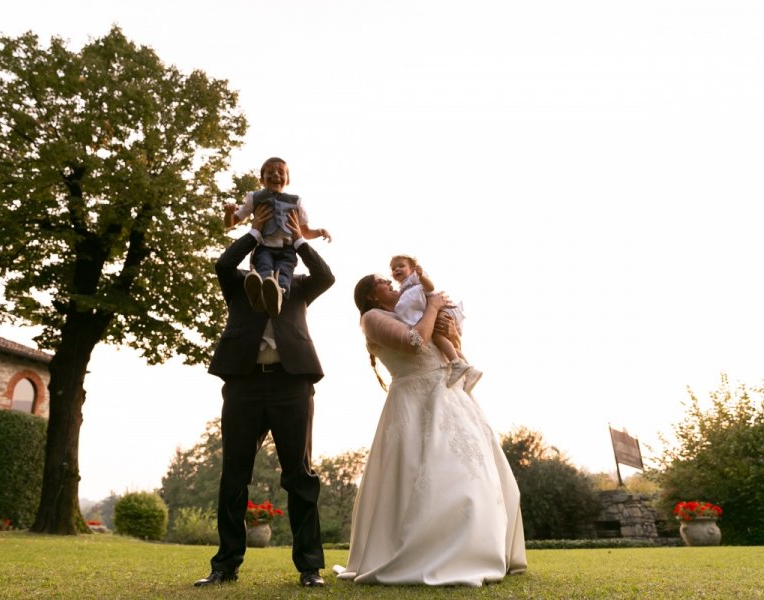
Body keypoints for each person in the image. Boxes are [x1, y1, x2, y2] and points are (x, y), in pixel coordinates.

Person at [335, 274, 527, 587]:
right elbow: (414, 343)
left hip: (451, 397)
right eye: (384, 282)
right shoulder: (373, 318)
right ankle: (433, 554)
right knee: (430, 478)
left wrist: (451, 331)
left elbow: (446, 351)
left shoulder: (412, 311)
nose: (393, 284)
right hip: (413, 403)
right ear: (371, 296)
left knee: (474, 473)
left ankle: (479, 550)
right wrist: (435, 305)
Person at [194, 203, 335, 589]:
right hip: (244, 385)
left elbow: (327, 275)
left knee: (300, 476)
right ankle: (225, 566)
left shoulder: (300, 287)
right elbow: (223, 265)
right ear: (257, 257)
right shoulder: (240, 283)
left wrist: (299, 241)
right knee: (234, 476)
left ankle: (310, 568)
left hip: (293, 385)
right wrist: (255, 233)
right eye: (263, 255)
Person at [225, 157, 331, 317]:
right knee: (264, 267)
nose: (276, 175)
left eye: (281, 172)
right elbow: (231, 223)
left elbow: (305, 232)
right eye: (270, 172)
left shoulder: (296, 201)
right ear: (261, 180)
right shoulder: (255, 198)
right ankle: (262, 291)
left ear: (287, 180)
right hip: (264, 247)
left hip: (287, 249)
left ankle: (279, 294)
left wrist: (319, 232)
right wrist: (229, 213)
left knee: (284, 273)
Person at [389, 254, 483, 393]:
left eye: (401, 266)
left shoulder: (415, 277)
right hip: (436, 311)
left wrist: (422, 277)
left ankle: (457, 365)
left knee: (438, 337)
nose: (397, 269)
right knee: (440, 340)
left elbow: (431, 287)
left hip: (442, 310)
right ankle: (469, 370)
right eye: (393, 268)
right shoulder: (403, 289)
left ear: (413, 268)